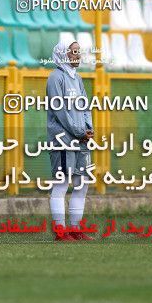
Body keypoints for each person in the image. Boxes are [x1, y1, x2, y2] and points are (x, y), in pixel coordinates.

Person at [46, 37, 94, 241]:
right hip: (64, 139)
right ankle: (60, 231)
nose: (77, 55)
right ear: (63, 53)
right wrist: (77, 130)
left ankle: (75, 229)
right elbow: (60, 110)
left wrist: (88, 128)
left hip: (81, 138)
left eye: (78, 51)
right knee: (62, 184)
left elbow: (85, 106)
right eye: (73, 51)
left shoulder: (78, 78)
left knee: (82, 183)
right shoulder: (55, 78)